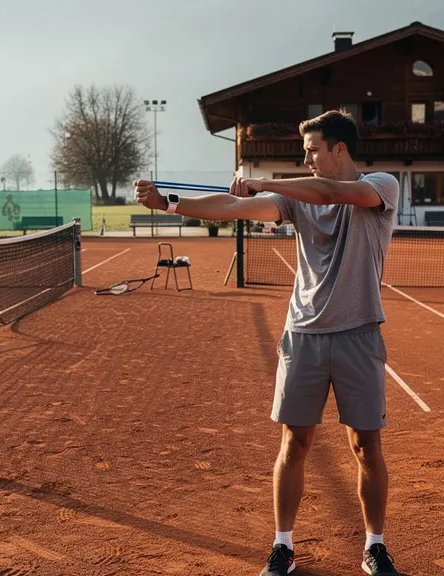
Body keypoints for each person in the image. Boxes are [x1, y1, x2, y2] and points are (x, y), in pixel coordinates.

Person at [133, 109, 401, 576]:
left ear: (339, 149)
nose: (308, 158)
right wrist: (171, 204)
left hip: (359, 334)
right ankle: (283, 545)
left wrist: (261, 182)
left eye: (313, 150)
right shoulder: (296, 203)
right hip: (303, 336)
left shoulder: (381, 185)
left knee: (366, 447)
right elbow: (235, 208)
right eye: (305, 152)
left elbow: (332, 192)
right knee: (294, 443)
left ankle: (374, 546)